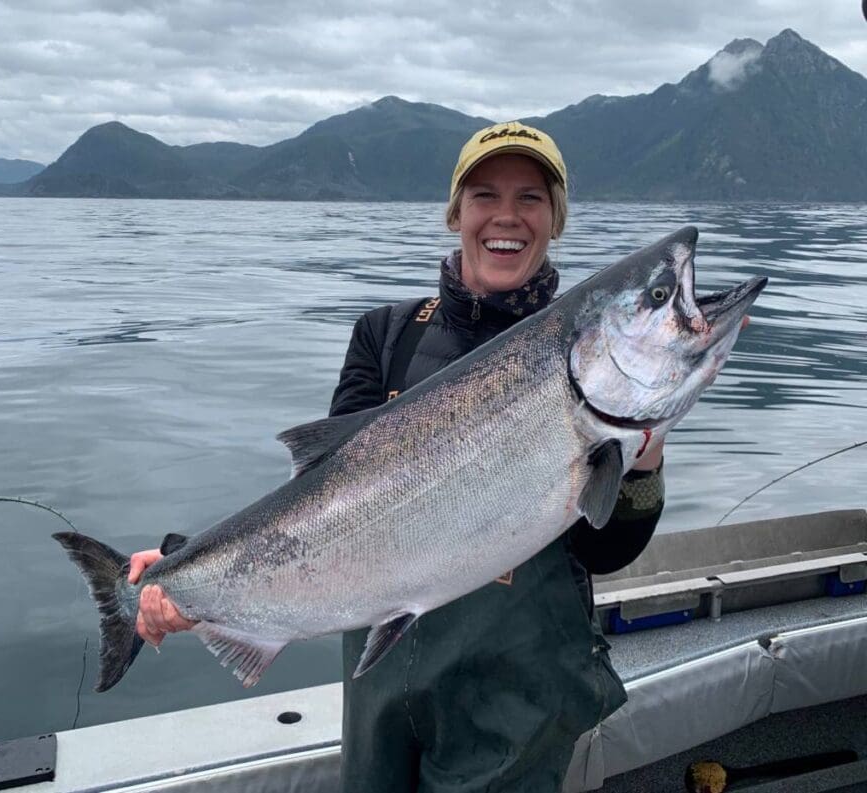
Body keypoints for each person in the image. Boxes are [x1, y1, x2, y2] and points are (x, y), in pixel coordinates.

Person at [127, 122, 666, 792]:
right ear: (455, 214)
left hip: (514, 697)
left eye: (531, 198)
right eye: (484, 195)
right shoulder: (384, 336)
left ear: (555, 219)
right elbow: (315, 509)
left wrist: (643, 459)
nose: (506, 216)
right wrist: (188, 563)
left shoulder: (597, 356)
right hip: (380, 687)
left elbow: (608, 551)